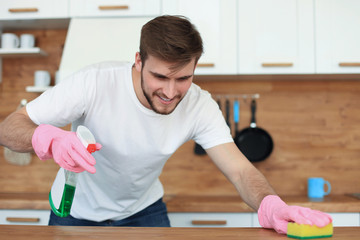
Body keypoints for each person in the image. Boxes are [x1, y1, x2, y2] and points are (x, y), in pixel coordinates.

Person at [0, 15, 331, 233]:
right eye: (160, 76)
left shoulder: (200, 104)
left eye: (183, 78)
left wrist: (270, 205)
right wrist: (48, 138)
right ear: (138, 61)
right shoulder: (93, 84)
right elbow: (9, 129)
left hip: (144, 213)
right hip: (73, 210)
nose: (171, 92)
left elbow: (241, 170)